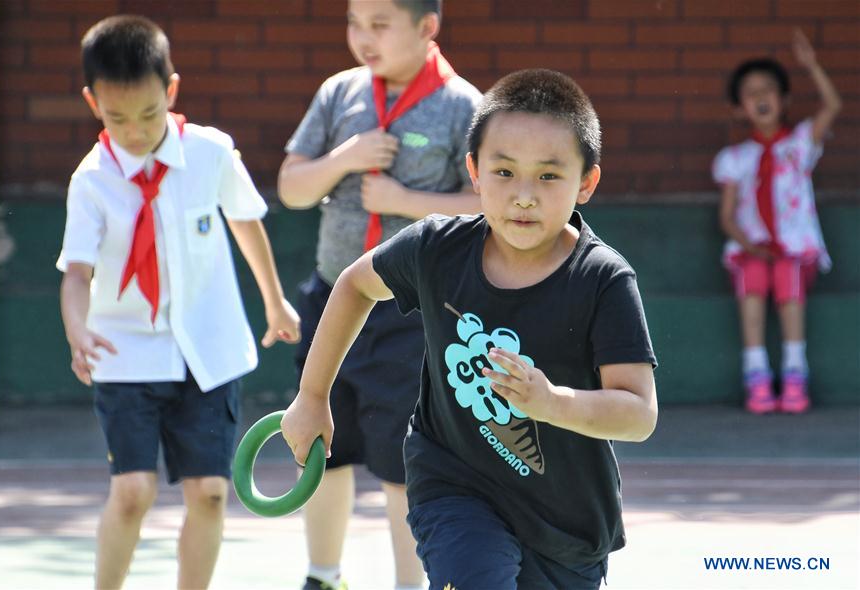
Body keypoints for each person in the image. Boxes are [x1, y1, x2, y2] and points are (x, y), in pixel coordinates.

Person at [282, 69, 658, 590]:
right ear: (474, 172)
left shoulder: (603, 280)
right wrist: (312, 394)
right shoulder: (436, 249)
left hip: (566, 526)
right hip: (454, 487)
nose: (524, 195)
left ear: (587, 183)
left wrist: (553, 404)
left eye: (549, 176)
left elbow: (639, 413)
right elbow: (354, 285)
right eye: (504, 173)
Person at [57, 15, 300, 590]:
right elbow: (75, 274)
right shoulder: (91, 181)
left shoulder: (211, 153)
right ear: (93, 104)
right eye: (117, 118)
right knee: (133, 491)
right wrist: (77, 331)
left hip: (207, 349)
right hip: (125, 354)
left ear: (171, 91)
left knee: (211, 493)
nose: (135, 131)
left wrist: (275, 302)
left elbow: (246, 225)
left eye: (148, 114)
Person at [277, 1, 481, 589]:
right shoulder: (339, 93)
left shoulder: (463, 105)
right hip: (331, 298)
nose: (363, 38)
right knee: (320, 443)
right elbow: (291, 186)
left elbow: (486, 209)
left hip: (408, 310)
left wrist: (406, 202)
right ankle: (322, 575)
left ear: (427, 27)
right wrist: (345, 158)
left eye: (380, 25)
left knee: (402, 458)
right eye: (354, 23)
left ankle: (408, 583)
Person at [713, 29, 841, 415]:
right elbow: (727, 214)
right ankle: (756, 373)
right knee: (751, 281)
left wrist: (811, 65)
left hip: (794, 249)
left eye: (767, 89)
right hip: (753, 247)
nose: (760, 98)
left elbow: (832, 106)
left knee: (788, 278)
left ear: (783, 100)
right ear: (739, 108)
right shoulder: (736, 157)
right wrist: (748, 244)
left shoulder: (799, 144)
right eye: (750, 93)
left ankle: (794, 372)